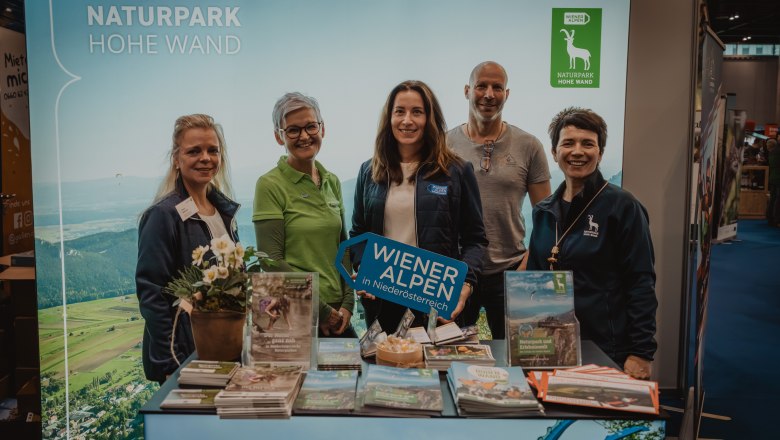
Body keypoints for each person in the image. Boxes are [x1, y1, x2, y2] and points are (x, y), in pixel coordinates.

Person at [526, 107, 657, 380]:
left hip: (606, 349)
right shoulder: (544, 211)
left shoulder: (623, 207)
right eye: (568, 143)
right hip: (550, 347)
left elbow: (640, 282)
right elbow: (534, 280)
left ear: (600, 153)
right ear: (554, 152)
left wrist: (641, 351)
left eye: (588, 144)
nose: (577, 151)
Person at [350, 80, 488, 332]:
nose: (407, 120)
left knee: (440, 370)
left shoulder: (456, 171)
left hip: (437, 299)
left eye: (417, 112)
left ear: (430, 118)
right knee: (385, 369)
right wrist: (364, 269)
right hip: (384, 299)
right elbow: (359, 234)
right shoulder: (369, 171)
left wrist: (464, 286)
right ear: (388, 118)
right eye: (399, 111)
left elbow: (475, 240)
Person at [448, 61, 551, 339]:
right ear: (467, 90)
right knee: (450, 354)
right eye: (481, 86)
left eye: (497, 87)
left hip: (511, 271)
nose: (489, 94)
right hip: (457, 272)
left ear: (507, 93)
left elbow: (548, 217)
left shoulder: (529, 146)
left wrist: (527, 264)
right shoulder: (444, 145)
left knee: (516, 354)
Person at [136, 114, 239, 383]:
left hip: (222, 348)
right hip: (185, 356)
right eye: (194, 151)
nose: (205, 158)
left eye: (212, 150)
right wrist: (170, 364)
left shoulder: (223, 212)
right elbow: (152, 295)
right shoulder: (163, 215)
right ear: (176, 158)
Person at [253, 92, 355, 337]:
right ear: (279, 136)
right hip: (295, 314)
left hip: (338, 313)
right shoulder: (269, 184)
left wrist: (348, 304)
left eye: (311, 126)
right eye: (293, 130)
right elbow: (272, 261)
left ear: (323, 129)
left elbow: (343, 246)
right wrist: (321, 310)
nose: (304, 136)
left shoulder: (332, 182)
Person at [767, 137, 780, 226]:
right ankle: (777, 220)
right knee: (778, 199)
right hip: (778, 177)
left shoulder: (772, 152)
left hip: (773, 177)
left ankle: (770, 218)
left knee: (773, 198)